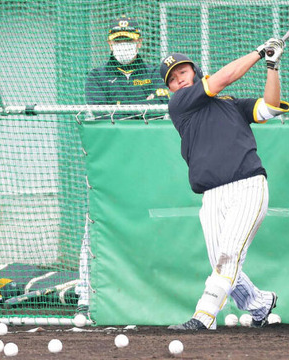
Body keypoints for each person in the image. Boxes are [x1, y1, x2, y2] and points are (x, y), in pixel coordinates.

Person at [159, 38, 289, 330]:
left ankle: (202, 317)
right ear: (169, 89)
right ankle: (261, 304)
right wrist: (258, 52)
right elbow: (224, 78)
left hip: (248, 186)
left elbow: (270, 107)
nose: (179, 80)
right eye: (172, 79)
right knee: (222, 261)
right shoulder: (180, 104)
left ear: (194, 71)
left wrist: (271, 65)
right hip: (212, 196)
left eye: (182, 73)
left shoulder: (231, 104)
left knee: (229, 256)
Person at [75, 15, 170, 316]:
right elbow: (102, 115)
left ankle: (149, 291)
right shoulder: (97, 76)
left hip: (148, 163)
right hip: (111, 165)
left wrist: (124, 110)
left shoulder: (156, 72)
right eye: (118, 41)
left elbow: (158, 110)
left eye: (129, 41)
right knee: (96, 223)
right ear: (110, 44)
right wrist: (138, 108)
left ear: (139, 42)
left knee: (152, 223)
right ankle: (84, 296)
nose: (124, 46)